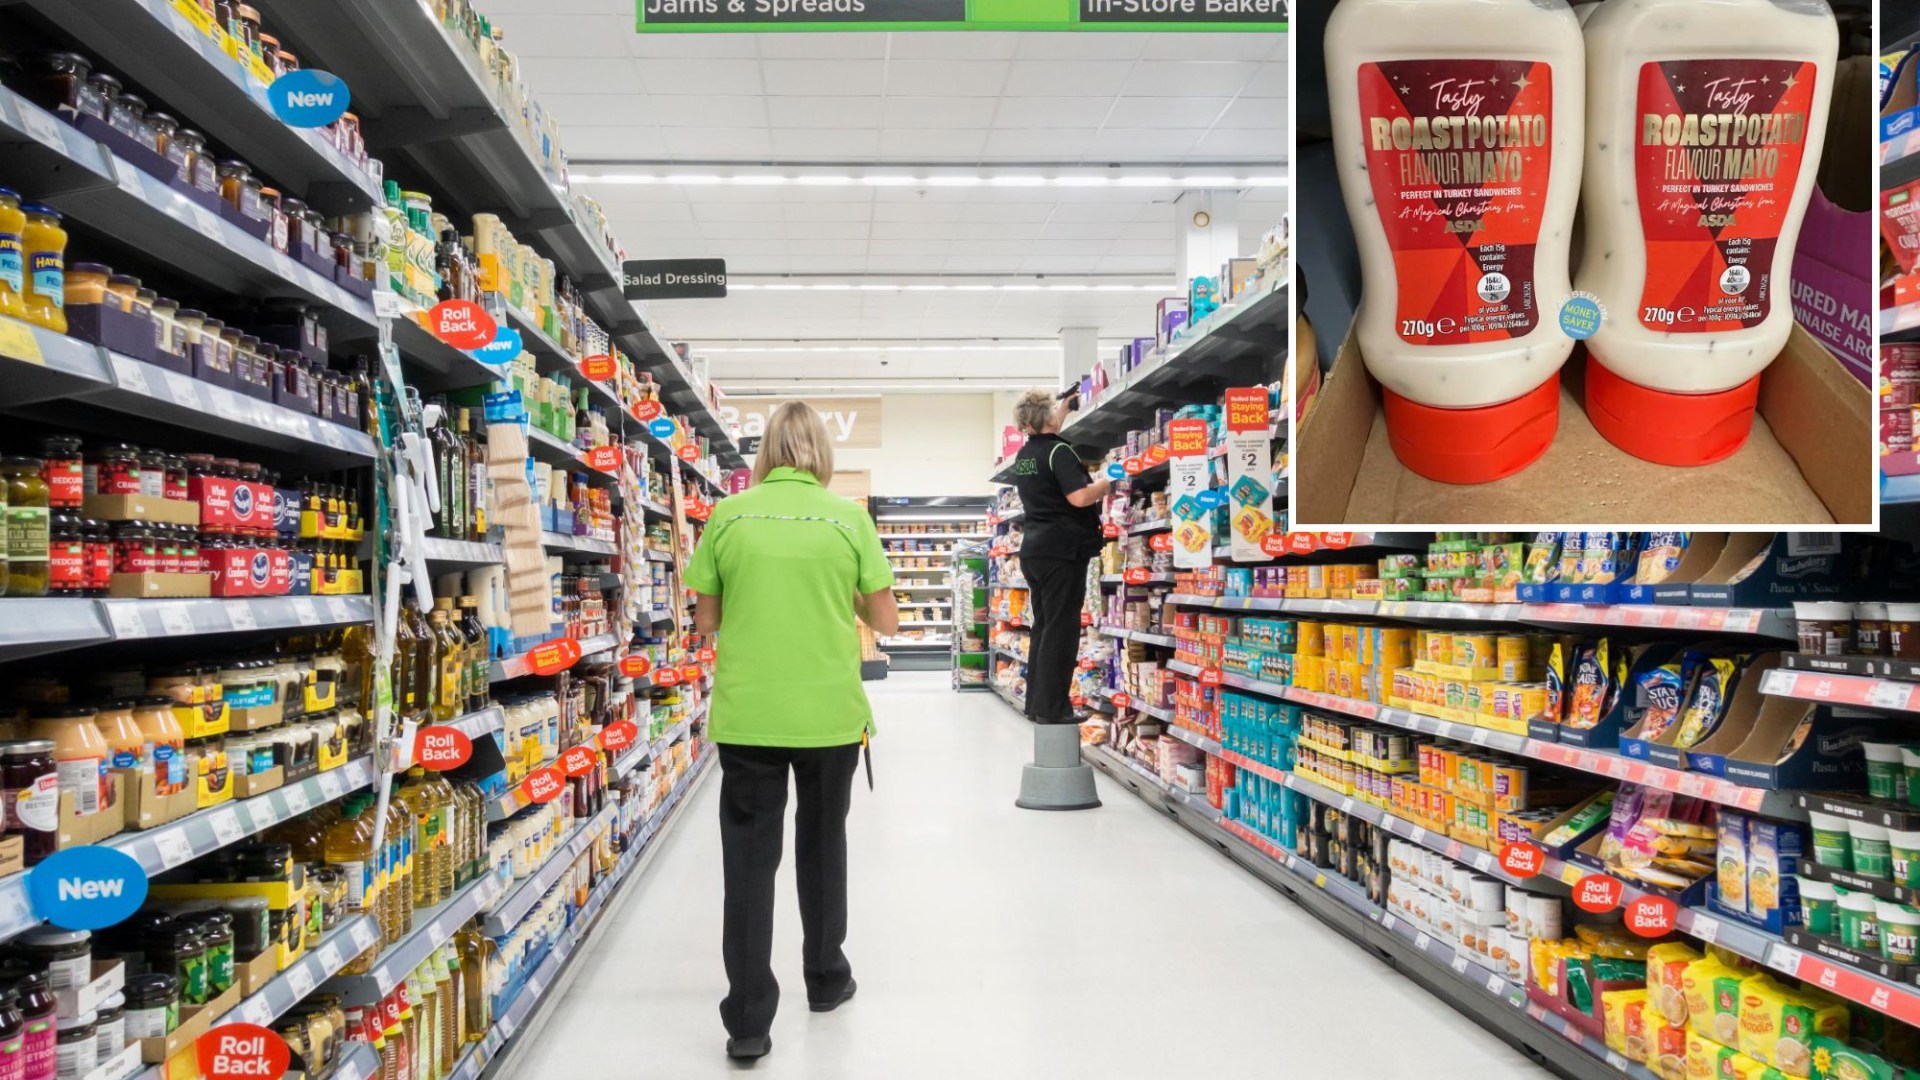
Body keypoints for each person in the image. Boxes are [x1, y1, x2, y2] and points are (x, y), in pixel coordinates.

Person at [684, 401, 899, 1061]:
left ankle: (748, 1019)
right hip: (829, 714)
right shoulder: (849, 519)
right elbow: (887, 623)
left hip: (750, 714)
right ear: (822, 455)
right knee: (821, 845)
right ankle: (827, 978)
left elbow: (705, 623)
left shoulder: (726, 515)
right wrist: (844, 594)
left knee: (749, 863)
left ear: (766, 453)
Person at [1008, 389, 1112, 727]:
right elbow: (1080, 497)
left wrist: (1062, 409)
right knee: (1062, 630)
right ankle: (1055, 709)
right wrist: (1109, 482)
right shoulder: (1060, 452)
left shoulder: (1026, 453)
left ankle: (1039, 704)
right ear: (1047, 419)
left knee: (1044, 627)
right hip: (1062, 551)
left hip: (1035, 550)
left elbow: (1046, 434)